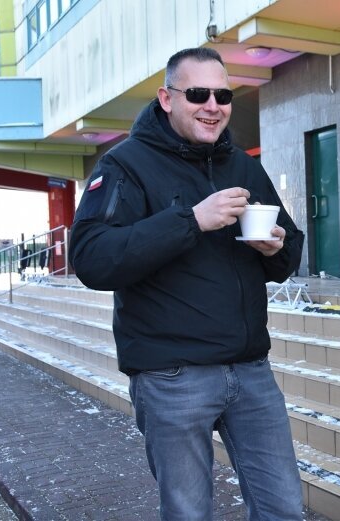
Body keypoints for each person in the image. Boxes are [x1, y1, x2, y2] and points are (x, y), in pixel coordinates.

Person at [69, 47, 305, 521]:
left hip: (250, 371)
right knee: (189, 514)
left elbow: (291, 251)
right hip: (172, 377)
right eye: (198, 93)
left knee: (284, 509)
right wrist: (191, 220)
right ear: (166, 98)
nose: (212, 105)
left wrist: (276, 248)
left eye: (223, 94)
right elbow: (91, 258)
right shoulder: (125, 165)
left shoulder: (243, 165)